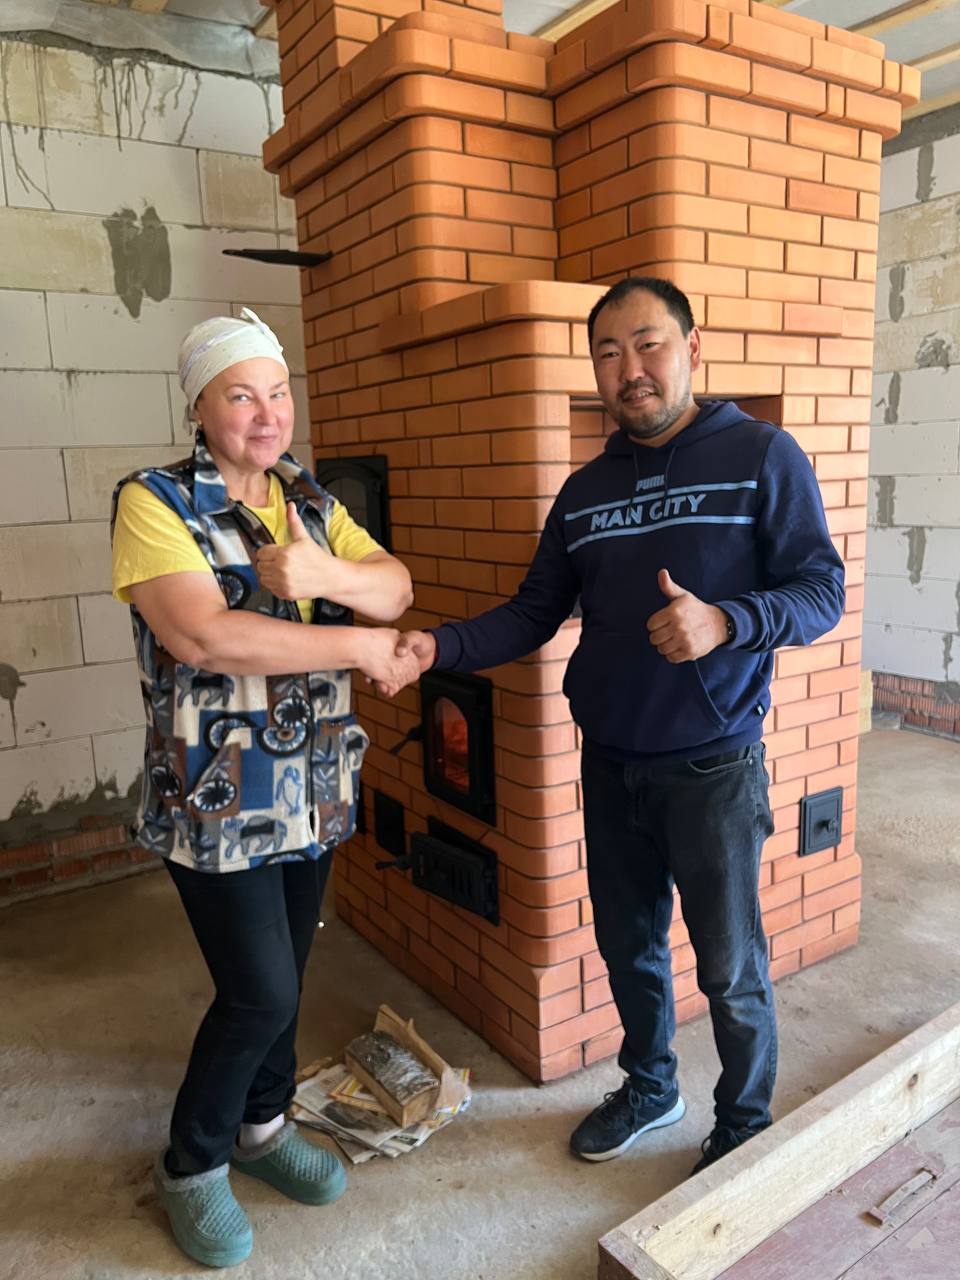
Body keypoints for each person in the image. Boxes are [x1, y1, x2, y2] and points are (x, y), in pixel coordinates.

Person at [393, 277, 845, 1174]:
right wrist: (434, 648)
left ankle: (744, 1122)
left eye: (647, 344)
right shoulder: (584, 492)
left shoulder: (762, 454)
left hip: (713, 769)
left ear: (691, 349)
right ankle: (651, 1086)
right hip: (609, 762)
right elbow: (533, 613)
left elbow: (821, 590)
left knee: (730, 966)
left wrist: (727, 621)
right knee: (628, 948)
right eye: (608, 352)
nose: (629, 368)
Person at [110, 306, 419, 1267]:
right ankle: (192, 1163)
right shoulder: (154, 501)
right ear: (200, 409)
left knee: (288, 977)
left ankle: (263, 1127)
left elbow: (396, 585)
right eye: (240, 396)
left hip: (312, 793)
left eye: (278, 393)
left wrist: (330, 572)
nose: (267, 414)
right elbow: (203, 635)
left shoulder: (310, 500)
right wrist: (359, 643)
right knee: (258, 992)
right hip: (216, 802)